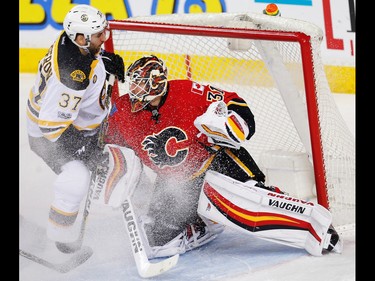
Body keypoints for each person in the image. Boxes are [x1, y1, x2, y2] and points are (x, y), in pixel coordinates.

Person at [104, 55, 342, 259]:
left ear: (156, 84)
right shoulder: (123, 111)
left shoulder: (187, 92)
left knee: (253, 200)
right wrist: (110, 165)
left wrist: (233, 124)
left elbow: (234, 102)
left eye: (141, 85)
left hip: (218, 162)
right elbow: (106, 143)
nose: (134, 91)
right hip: (176, 183)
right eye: (133, 85)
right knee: (158, 244)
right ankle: (204, 224)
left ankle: (312, 222)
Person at [25, 4, 125, 247]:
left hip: (73, 122)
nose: (105, 37)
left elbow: (88, 58)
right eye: (99, 34)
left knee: (125, 151)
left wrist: (104, 60)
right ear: (81, 38)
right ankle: (58, 239)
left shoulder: (75, 43)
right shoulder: (71, 78)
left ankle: (139, 200)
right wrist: (84, 149)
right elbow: (50, 128)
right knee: (77, 178)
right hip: (48, 133)